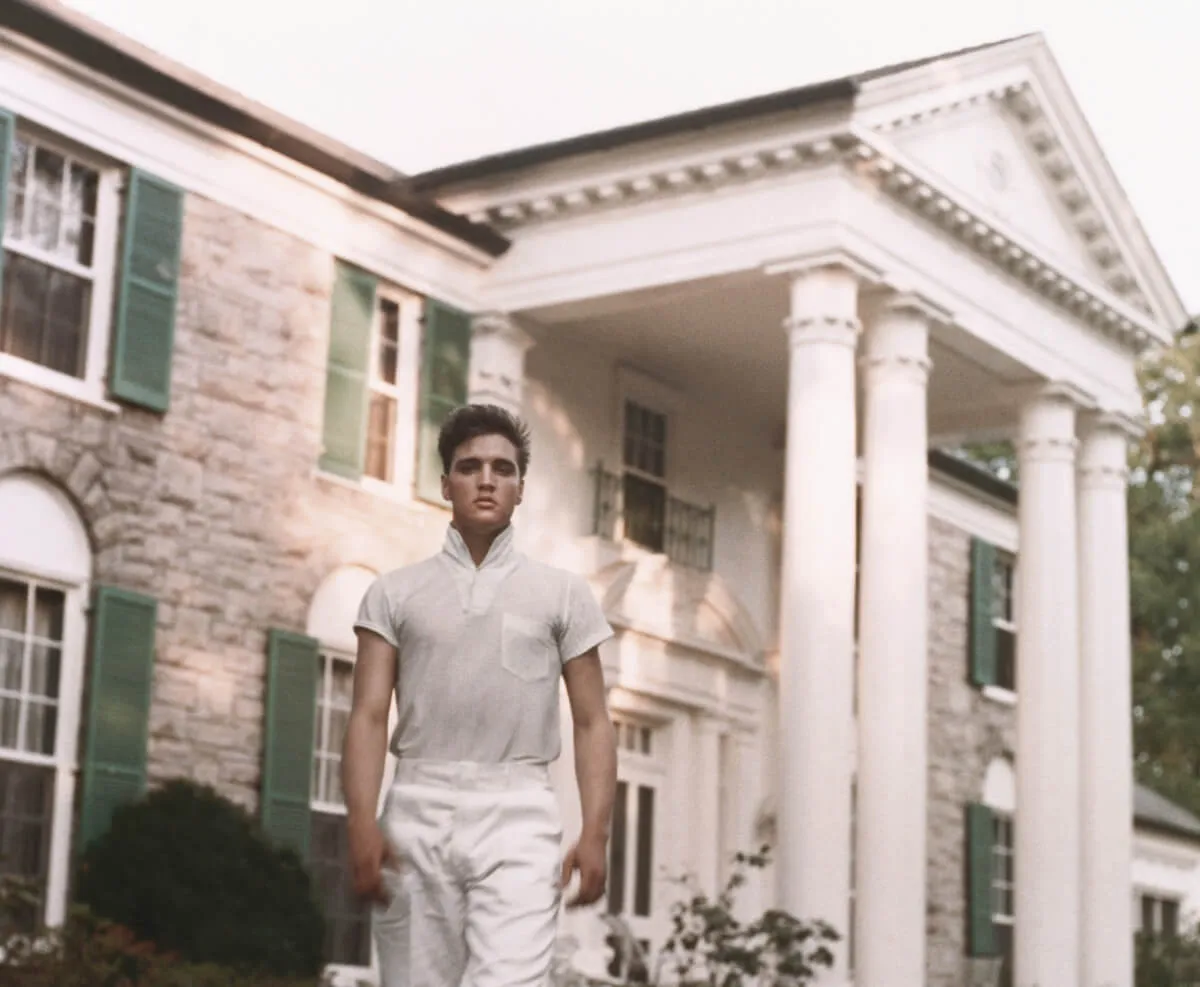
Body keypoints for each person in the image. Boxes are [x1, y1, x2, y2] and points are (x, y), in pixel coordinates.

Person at [343, 403, 618, 987]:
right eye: (470, 467)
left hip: (518, 812)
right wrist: (361, 822)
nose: (487, 479)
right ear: (446, 484)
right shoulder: (393, 593)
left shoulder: (563, 595)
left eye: (503, 468)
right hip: (416, 806)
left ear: (521, 487)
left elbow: (593, 721)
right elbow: (367, 716)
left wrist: (595, 831)